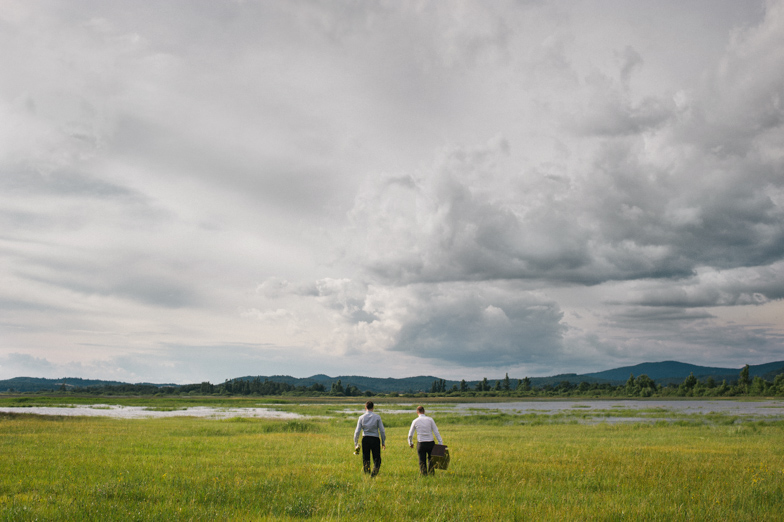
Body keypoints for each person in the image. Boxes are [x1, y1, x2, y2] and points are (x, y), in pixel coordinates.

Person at [408, 405, 443, 476]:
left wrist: (410, 443)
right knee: (431, 460)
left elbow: (410, 434)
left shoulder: (415, 421)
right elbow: (436, 431)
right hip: (431, 443)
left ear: (417, 412)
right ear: (424, 411)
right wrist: (440, 442)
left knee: (422, 460)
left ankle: (424, 474)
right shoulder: (430, 419)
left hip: (421, 443)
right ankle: (431, 474)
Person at [354, 400, 386, 477]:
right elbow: (382, 431)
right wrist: (383, 442)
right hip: (375, 439)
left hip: (365, 439)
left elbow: (357, 431)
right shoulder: (377, 417)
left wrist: (356, 443)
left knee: (366, 458)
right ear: (373, 407)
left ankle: (367, 474)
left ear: (365, 408)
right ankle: (373, 474)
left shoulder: (361, 417)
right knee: (377, 459)